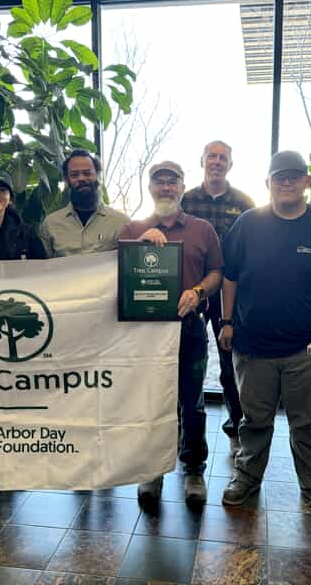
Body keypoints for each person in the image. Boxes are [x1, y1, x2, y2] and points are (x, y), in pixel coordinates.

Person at [218, 150, 311, 517]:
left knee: (306, 422)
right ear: (268, 183)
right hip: (253, 346)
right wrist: (226, 321)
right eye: (280, 177)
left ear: (308, 181)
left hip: (307, 347)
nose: (287, 182)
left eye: (295, 176)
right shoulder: (248, 224)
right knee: (254, 421)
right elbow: (229, 276)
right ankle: (246, 478)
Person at [119, 160, 223, 507]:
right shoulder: (132, 229)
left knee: (192, 403)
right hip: (146, 336)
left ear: (182, 187)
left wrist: (198, 292)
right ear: (150, 188)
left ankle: (193, 468)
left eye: (172, 181)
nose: (166, 187)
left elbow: (216, 273)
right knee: (151, 403)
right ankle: (152, 469)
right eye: (159, 182)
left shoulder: (202, 229)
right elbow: (114, 275)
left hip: (190, 331)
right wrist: (138, 247)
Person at [181, 140, 254, 457]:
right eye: (212, 156)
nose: (217, 161)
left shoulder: (244, 202)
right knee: (184, 362)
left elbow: (253, 249)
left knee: (229, 363)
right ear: (202, 161)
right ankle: (181, 429)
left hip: (229, 292)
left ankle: (237, 427)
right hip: (192, 293)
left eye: (223, 157)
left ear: (230, 165)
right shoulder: (185, 200)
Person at [40, 149, 129, 257]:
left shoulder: (120, 222)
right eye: (74, 175)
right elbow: (43, 268)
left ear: (98, 176)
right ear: (67, 180)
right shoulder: (50, 224)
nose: (81, 178)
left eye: (87, 173)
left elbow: (128, 264)